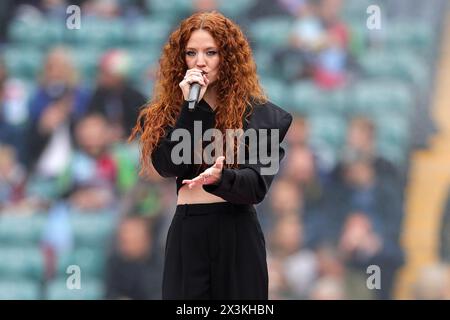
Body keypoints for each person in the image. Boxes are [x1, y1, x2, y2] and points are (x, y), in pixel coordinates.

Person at [129, 11, 293, 300]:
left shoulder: (263, 116)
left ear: (228, 57)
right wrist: (192, 110)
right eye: (191, 53)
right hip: (188, 229)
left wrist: (222, 177)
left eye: (210, 52)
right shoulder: (168, 115)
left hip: (237, 231)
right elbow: (168, 165)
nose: (200, 61)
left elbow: (255, 187)